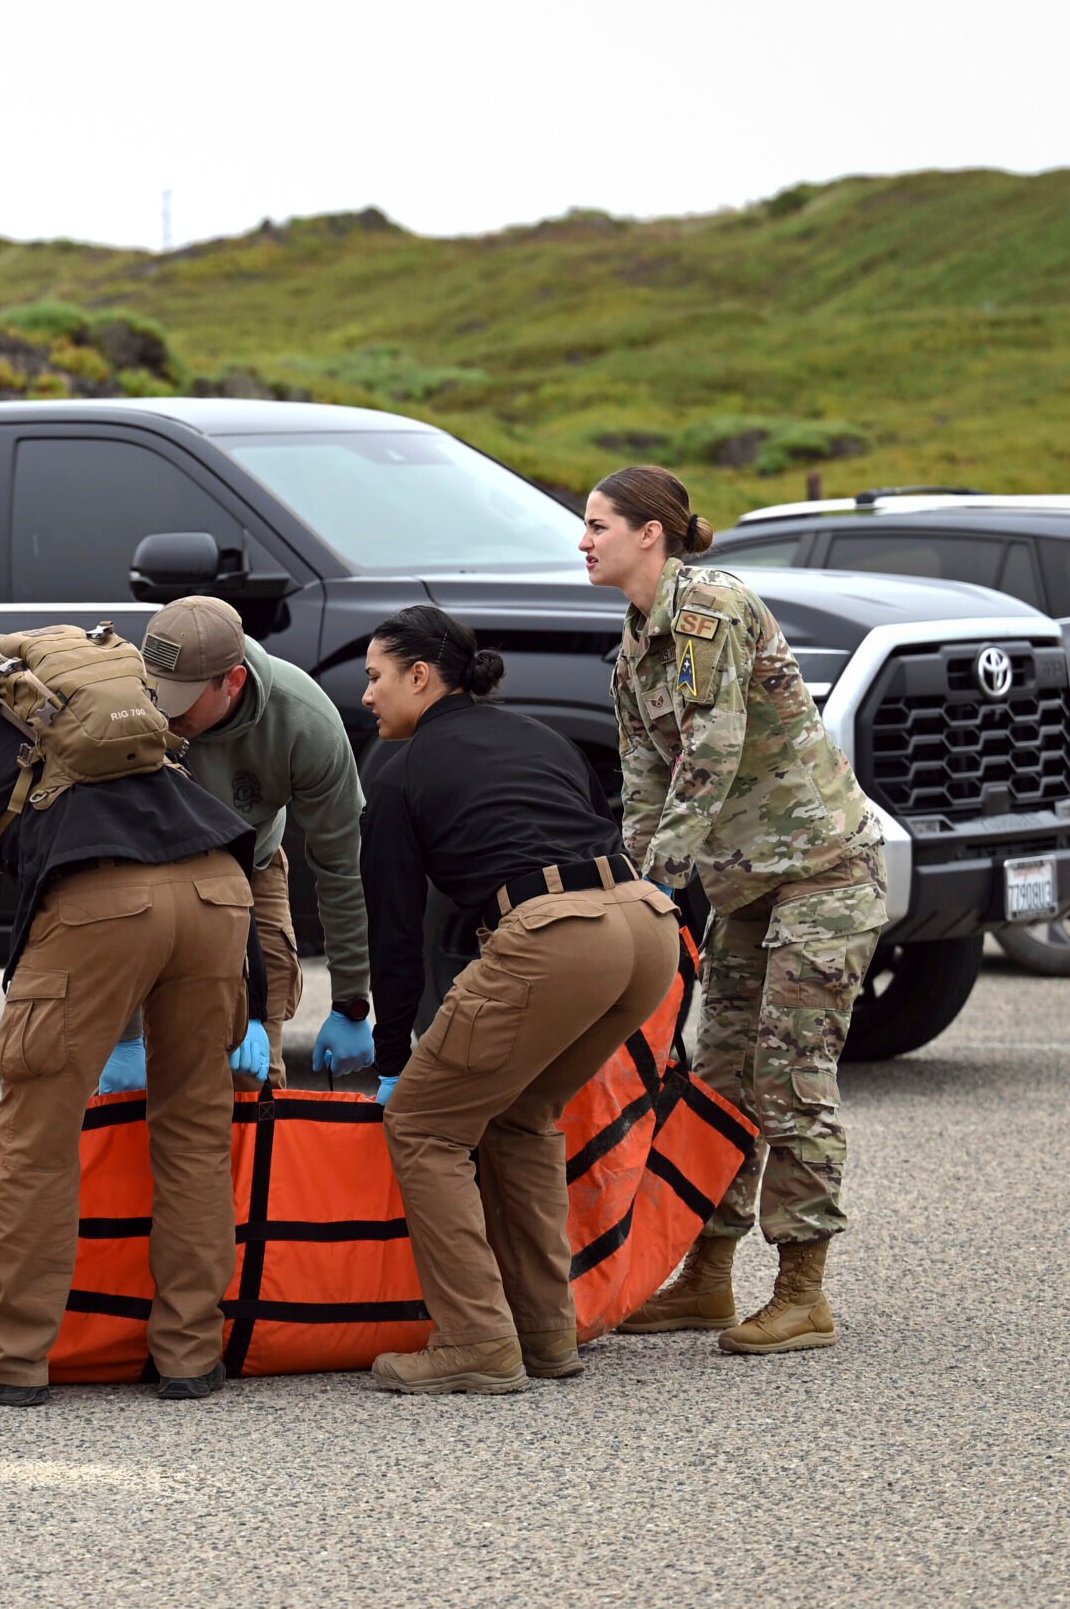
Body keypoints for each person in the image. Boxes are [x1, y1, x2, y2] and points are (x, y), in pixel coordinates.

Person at [0, 629, 268, 1407]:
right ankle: (191, 1354)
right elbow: (201, 833)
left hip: (100, 906)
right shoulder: (126, 737)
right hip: (220, 895)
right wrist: (254, 1001)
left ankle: (7, 1357)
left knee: (39, 1136)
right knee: (195, 1125)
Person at [588, 463, 885, 1355]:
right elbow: (644, 779)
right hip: (745, 881)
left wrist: (658, 880)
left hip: (823, 871)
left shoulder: (708, 607)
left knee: (788, 1075)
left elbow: (711, 752)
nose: (584, 539)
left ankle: (803, 1289)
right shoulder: (635, 644)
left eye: (600, 523)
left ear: (652, 532)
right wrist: (642, 886)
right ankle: (707, 1276)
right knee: (718, 1077)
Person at [360, 606, 679, 1395]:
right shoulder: (541, 736)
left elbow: (395, 935)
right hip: (647, 927)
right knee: (521, 1114)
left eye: (375, 676)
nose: (367, 695)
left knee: (427, 1122)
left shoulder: (396, 770)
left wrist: (395, 1058)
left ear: (420, 677)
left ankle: (473, 1339)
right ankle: (546, 1331)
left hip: (557, 933)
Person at [143, 596, 371, 1084]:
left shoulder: (305, 723)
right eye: (156, 691)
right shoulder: (129, 707)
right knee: (152, 1063)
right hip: (152, 871)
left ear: (233, 681)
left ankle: (253, 1152)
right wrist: (122, 1038)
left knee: (252, 1073)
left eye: (181, 698)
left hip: (252, 868)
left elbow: (340, 866)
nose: (163, 712)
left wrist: (351, 1001)